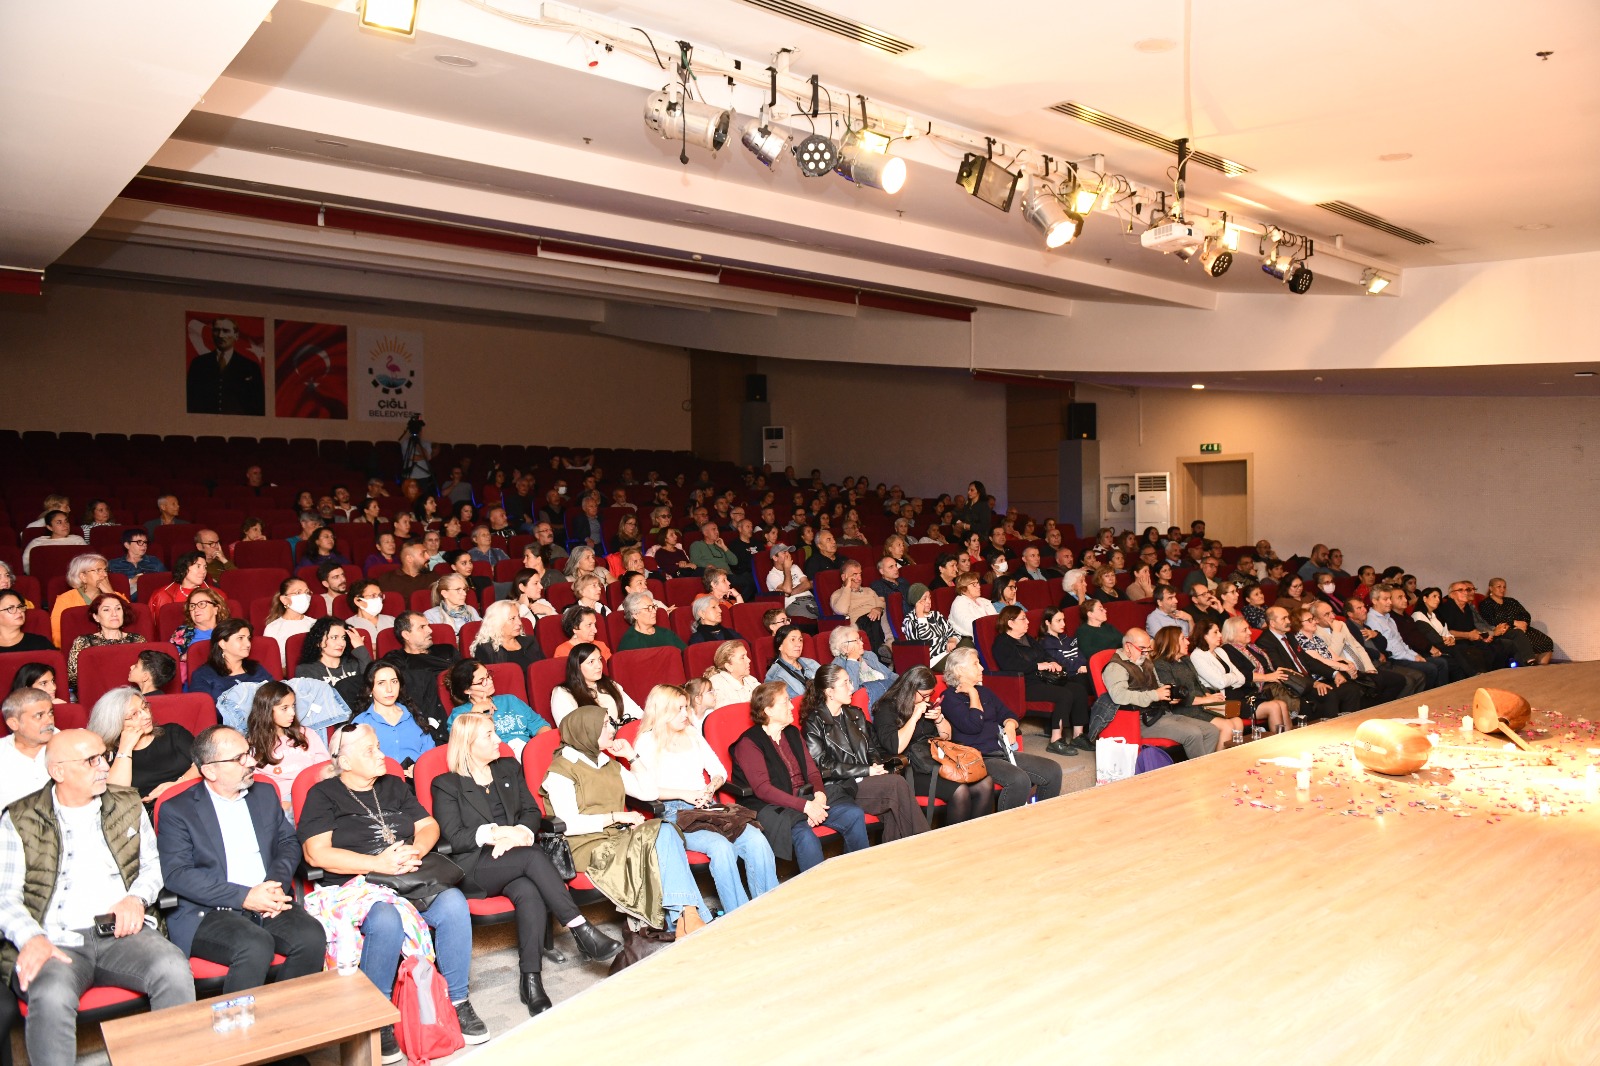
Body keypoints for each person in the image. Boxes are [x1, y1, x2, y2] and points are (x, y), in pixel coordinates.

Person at [0, 728, 195, 1066]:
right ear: (58, 771)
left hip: (120, 932)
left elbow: (153, 866)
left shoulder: (127, 803)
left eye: (104, 756)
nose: (104, 766)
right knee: (50, 994)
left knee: (173, 968)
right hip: (56, 940)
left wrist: (135, 899)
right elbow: (4, 895)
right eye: (91, 760)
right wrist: (30, 937)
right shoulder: (19, 818)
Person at [298, 723, 488, 1058]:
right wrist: (378, 864)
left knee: (454, 902)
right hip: (356, 883)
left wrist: (414, 850)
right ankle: (379, 1017)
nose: (380, 754)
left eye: (378, 746)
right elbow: (316, 853)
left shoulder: (393, 785)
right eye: (369, 750)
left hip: (406, 875)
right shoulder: (323, 794)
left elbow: (428, 825)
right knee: (385, 918)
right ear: (344, 761)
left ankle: (457, 1001)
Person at [432, 714, 620, 1016]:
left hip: (515, 857)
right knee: (534, 857)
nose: (499, 741)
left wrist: (520, 833)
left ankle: (530, 980)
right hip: (476, 867)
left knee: (529, 890)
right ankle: (580, 929)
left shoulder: (508, 768)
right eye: (490, 736)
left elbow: (532, 811)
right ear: (468, 744)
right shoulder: (445, 784)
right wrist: (498, 834)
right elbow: (454, 836)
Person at [156, 724, 326, 994]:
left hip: (268, 898)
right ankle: (239, 1029)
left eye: (249, 753)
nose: (252, 762)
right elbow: (178, 874)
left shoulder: (264, 794)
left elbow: (287, 843)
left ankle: (286, 1021)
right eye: (240, 758)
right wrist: (245, 897)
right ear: (209, 770)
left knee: (312, 937)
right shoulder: (177, 809)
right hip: (211, 910)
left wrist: (274, 883)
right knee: (255, 945)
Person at [540, 705, 711, 934]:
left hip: (618, 836)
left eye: (611, 722)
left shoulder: (607, 762)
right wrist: (616, 816)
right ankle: (689, 917)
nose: (612, 729)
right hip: (586, 845)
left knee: (665, 832)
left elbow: (648, 794)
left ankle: (684, 918)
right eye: (604, 725)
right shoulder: (561, 770)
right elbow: (569, 824)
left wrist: (632, 756)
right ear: (586, 730)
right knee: (662, 838)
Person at [633, 684, 778, 912]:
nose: (685, 714)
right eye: (678, 709)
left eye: (686, 707)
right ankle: (740, 914)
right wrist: (685, 794)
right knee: (721, 847)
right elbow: (647, 790)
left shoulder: (691, 733)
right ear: (662, 711)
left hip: (707, 806)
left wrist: (711, 787)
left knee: (756, 839)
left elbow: (718, 770)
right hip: (674, 813)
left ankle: (770, 907)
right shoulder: (646, 741)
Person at [728, 682, 869, 872]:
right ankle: (817, 894)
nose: (792, 706)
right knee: (804, 835)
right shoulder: (749, 743)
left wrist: (819, 795)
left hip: (806, 798)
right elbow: (763, 789)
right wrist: (806, 808)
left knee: (853, 814)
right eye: (785, 702)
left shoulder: (792, 732)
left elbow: (812, 771)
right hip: (773, 806)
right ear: (768, 710)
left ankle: (859, 872)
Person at [799, 665, 924, 843]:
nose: (852, 687)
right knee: (896, 784)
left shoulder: (855, 714)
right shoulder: (814, 722)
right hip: (839, 787)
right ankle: (924, 844)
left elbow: (872, 749)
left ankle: (895, 858)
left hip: (866, 781)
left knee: (891, 807)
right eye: (845, 683)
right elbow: (822, 766)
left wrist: (875, 766)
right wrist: (865, 771)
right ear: (830, 692)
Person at [938, 648, 1062, 810]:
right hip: (977, 758)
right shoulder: (949, 698)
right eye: (976, 664)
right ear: (960, 670)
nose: (982, 668)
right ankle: (1007, 830)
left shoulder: (985, 692)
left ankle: (1041, 820)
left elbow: (1008, 713)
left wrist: (1010, 724)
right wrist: (973, 694)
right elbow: (973, 725)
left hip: (1001, 752)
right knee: (1019, 780)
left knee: (1053, 770)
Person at [872, 667, 992, 825]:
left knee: (985, 783)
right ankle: (953, 843)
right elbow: (896, 747)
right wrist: (914, 717)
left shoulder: (922, 703)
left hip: (933, 760)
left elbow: (947, 737)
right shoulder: (887, 708)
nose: (927, 699)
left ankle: (974, 836)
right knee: (960, 791)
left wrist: (939, 719)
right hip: (908, 769)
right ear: (910, 689)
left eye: (930, 694)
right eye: (925, 695)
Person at [1097, 629, 1216, 761]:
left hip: (1160, 713)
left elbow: (1158, 684)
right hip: (1139, 720)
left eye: (1148, 649)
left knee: (1211, 731)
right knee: (1193, 734)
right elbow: (1119, 696)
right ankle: (1199, 774)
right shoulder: (1116, 667)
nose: (1146, 653)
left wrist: (1168, 694)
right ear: (1128, 647)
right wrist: (1155, 695)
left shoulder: (1145, 661)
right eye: (1142, 648)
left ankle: (1199, 769)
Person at [991, 605, 1091, 756]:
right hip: (1024, 684)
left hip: (1043, 679)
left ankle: (1078, 735)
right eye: (1023, 618)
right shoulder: (1002, 643)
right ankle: (1056, 740)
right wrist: (1038, 665)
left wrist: (1052, 663)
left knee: (1078, 689)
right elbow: (1010, 666)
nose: (1028, 621)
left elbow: (1044, 654)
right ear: (1010, 623)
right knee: (1064, 694)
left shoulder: (1028, 638)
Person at [88, 686, 198, 803]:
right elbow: (116, 797)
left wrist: (178, 785)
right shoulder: (108, 755)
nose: (147, 716)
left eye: (145, 707)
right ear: (115, 723)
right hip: (148, 814)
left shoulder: (173, 733)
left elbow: (206, 763)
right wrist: (125, 749)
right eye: (134, 714)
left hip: (191, 799)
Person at [1257, 607, 1363, 719]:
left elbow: (1309, 661)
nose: (1288, 621)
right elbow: (1284, 670)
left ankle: (1350, 725)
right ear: (1272, 623)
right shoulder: (1265, 641)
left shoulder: (1288, 635)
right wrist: (1314, 683)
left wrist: (1334, 673)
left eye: (1288, 617)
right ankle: (1332, 730)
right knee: (1327, 694)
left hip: (1308, 680)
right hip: (1294, 686)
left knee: (1351, 689)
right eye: (1284, 619)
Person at [1150, 626, 1243, 752]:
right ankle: (1218, 765)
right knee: (1227, 726)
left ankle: (1232, 760)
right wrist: (1205, 700)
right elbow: (1174, 695)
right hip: (1184, 708)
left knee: (1237, 722)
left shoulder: (1185, 659)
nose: (1188, 642)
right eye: (1183, 639)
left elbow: (1198, 682)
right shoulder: (1161, 664)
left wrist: (1208, 695)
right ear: (1172, 642)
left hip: (1200, 704)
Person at [244, 680, 331, 810]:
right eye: (284, 708)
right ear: (266, 710)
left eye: (293, 706)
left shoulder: (306, 734)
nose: (292, 713)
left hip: (314, 792)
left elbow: (324, 768)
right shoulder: (252, 745)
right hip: (282, 799)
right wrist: (278, 802)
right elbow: (257, 784)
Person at [380, 612, 458, 742]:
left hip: (458, 703)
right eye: (422, 627)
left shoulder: (447, 650)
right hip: (428, 712)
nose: (430, 630)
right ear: (406, 635)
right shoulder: (396, 659)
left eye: (428, 625)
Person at [445, 659, 549, 754]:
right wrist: (476, 712)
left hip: (527, 753)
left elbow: (540, 725)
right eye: (482, 681)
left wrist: (545, 746)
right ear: (467, 690)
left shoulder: (510, 700)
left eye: (488, 675)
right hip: (496, 761)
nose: (490, 681)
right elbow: (462, 748)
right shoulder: (459, 715)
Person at [352, 660, 434, 772]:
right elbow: (357, 763)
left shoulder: (414, 715)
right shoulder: (361, 722)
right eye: (381, 683)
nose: (389, 689)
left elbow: (430, 754)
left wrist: (419, 769)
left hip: (417, 779)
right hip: (380, 783)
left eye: (394, 682)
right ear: (370, 688)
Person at [66, 593, 147, 690]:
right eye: (106, 610)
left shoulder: (138, 640)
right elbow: (73, 678)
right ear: (96, 617)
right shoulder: (83, 642)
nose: (114, 614)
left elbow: (148, 674)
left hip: (133, 693)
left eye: (118, 609)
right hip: (96, 693)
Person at [186, 316, 264, 414]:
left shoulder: (251, 367)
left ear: (236, 335)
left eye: (226, 331)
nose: (220, 335)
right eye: (216, 330)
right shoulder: (198, 364)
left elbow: (259, 407)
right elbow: (190, 401)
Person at [548, 643, 641, 725]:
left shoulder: (610, 684)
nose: (599, 666)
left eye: (599, 659)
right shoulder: (563, 693)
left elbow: (637, 713)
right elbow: (570, 731)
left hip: (621, 738)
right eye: (591, 662)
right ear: (577, 667)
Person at [186, 618, 272, 701]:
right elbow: (203, 709)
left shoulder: (257, 669)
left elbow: (277, 696)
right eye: (240, 638)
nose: (248, 644)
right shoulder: (203, 675)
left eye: (248, 638)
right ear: (222, 644)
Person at [49, 553, 123, 647]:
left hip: (116, 645)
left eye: (105, 570)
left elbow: (130, 621)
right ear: (83, 577)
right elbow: (57, 634)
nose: (104, 575)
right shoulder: (65, 600)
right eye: (98, 570)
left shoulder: (117, 596)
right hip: (79, 648)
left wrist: (110, 594)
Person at [0, 687, 55, 808]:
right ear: (14, 723)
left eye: (50, 713)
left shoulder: (71, 745)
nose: (49, 720)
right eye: (39, 715)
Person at [1478, 578, 1553, 665]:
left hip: (1522, 629)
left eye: (1504, 587)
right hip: (1504, 632)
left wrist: (1524, 624)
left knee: (1546, 641)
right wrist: (1513, 623)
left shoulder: (1511, 601)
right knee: (1526, 641)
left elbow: (1525, 614)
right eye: (1499, 587)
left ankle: (1542, 668)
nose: (1502, 589)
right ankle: (1530, 665)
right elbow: (1492, 621)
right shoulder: (1485, 604)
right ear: (1491, 588)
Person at [828, 623, 897, 707]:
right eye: (856, 640)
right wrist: (852, 660)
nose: (862, 643)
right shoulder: (837, 666)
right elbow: (852, 690)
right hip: (873, 706)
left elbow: (889, 674)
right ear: (844, 647)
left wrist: (904, 682)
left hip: (890, 696)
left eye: (860, 639)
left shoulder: (869, 656)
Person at [901, 583, 963, 668]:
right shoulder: (909, 621)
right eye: (924, 599)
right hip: (933, 660)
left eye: (929, 597)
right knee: (964, 663)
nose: (929, 601)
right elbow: (926, 642)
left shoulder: (936, 615)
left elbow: (954, 633)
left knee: (969, 647)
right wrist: (920, 616)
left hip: (949, 653)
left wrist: (952, 640)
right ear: (916, 602)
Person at [470, 600, 543, 672]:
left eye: (518, 617)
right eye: (512, 618)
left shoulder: (530, 642)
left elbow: (545, 670)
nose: (519, 622)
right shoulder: (485, 650)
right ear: (498, 623)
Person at [143, 551, 213, 622]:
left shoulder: (216, 595)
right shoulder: (160, 595)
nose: (203, 571)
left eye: (205, 567)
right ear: (184, 569)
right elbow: (150, 626)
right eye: (198, 566)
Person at [107, 529, 166, 602]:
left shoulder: (155, 561)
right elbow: (109, 587)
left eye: (145, 542)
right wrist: (131, 581)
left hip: (151, 600)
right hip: (124, 601)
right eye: (139, 542)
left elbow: (166, 584)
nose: (144, 545)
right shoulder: (113, 564)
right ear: (127, 545)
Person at [21, 511, 88, 576]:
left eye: (66, 521)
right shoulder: (37, 542)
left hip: (75, 577)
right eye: (59, 522)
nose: (65, 525)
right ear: (49, 527)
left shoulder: (77, 540)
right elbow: (26, 564)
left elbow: (88, 561)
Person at [616, 592, 687, 652]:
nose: (654, 611)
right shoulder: (629, 642)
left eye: (653, 607)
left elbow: (686, 654)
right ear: (635, 614)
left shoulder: (666, 633)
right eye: (648, 608)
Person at [764, 544, 819, 621]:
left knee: (829, 614)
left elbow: (807, 584)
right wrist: (787, 568)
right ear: (775, 558)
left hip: (811, 599)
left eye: (788, 552)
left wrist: (789, 593)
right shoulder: (772, 576)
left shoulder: (795, 567)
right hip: (794, 603)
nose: (788, 554)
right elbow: (788, 589)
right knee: (815, 619)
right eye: (784, 552)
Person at [764, 624, 821, 697]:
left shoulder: (811, 663)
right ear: (780, 645)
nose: (798, 644)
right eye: (793, 640)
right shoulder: (776, 676)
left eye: (800, 640)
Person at [704, 639, 759, 708]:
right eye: (742, 658)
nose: (749, 660)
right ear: (729, 666)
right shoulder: (716, 684)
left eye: (747, 656)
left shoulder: (750, 679)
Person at [262, 577, 317, 645]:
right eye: (298, 592)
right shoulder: (273, 628)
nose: (304, 596)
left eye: (307, 592)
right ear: (284, 599)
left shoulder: (315, 624)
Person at [345, 579, 395, 648]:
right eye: (373, 595)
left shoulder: (392, 620)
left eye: (380, 595)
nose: (378, 599)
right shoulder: (349, 625)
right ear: (358, 601)